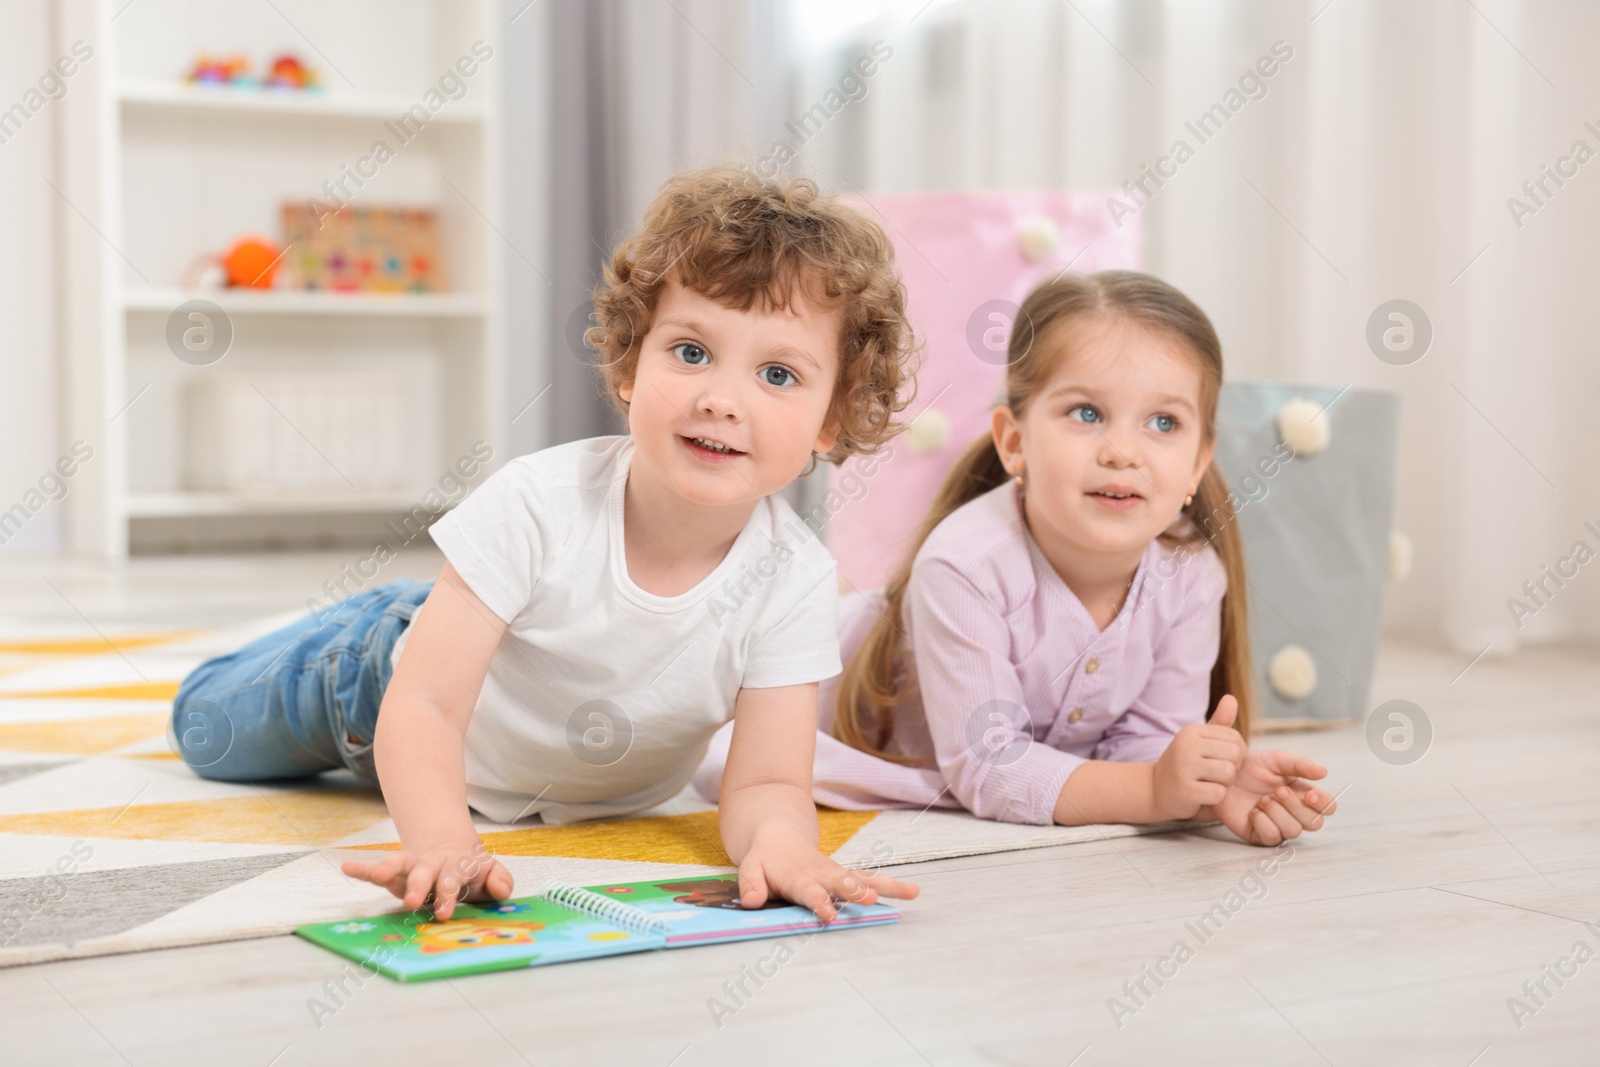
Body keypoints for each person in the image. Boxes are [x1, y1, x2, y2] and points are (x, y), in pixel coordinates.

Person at [170, 164, 924, 919]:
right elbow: (426, 703)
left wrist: (784, 845)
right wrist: (443, 842)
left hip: (533, 750)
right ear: (632, 365)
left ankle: (433, 606)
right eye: (691, 352)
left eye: (778, 373)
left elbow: (765, 785)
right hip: (374, 694)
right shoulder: (540, 503)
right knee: (206, 732)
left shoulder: (794, 579)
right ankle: (381, 619)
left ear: (832, 419)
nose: (720, 399)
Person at [694, 270, 1338, 847]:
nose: (1123, 451)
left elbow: (1143, 750)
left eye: (1163, 424)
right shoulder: (966, 563)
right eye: (1086, 413)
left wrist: (1198, 783)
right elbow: (989, 766)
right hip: (771, 695)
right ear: (1013, 440)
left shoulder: (1192, 576)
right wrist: (1149, 793)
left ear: (1199, 460)